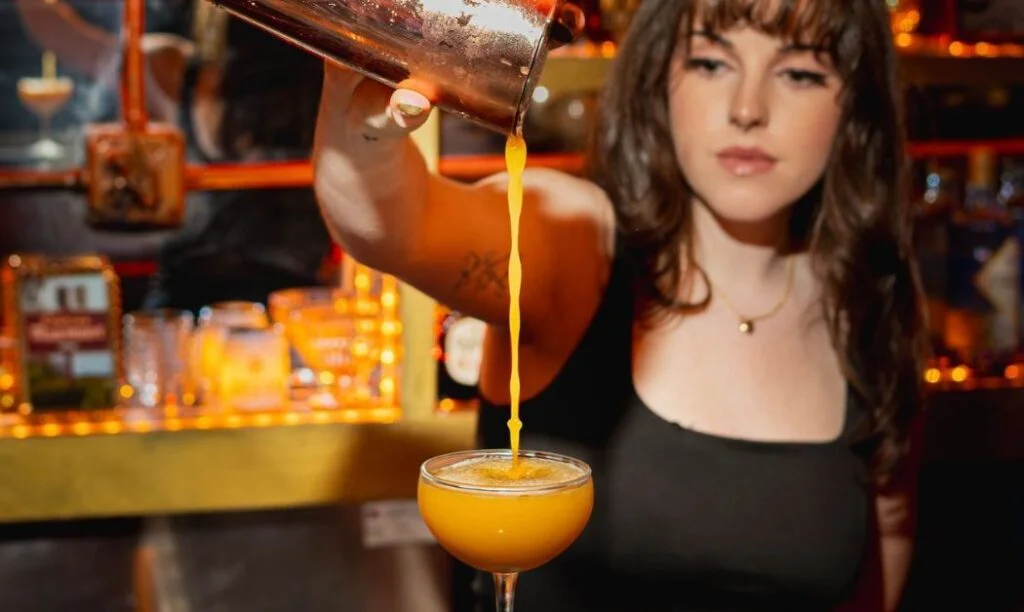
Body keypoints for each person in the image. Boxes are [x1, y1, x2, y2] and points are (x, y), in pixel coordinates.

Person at [314, 0, 926, 610]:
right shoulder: (581, 244)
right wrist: (363, 124)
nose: (748, 109)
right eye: (711, 64)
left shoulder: (870, 304)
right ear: (660, 78)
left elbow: (886, 549)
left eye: (800, 74)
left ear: (855, 104)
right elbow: (397, 225)